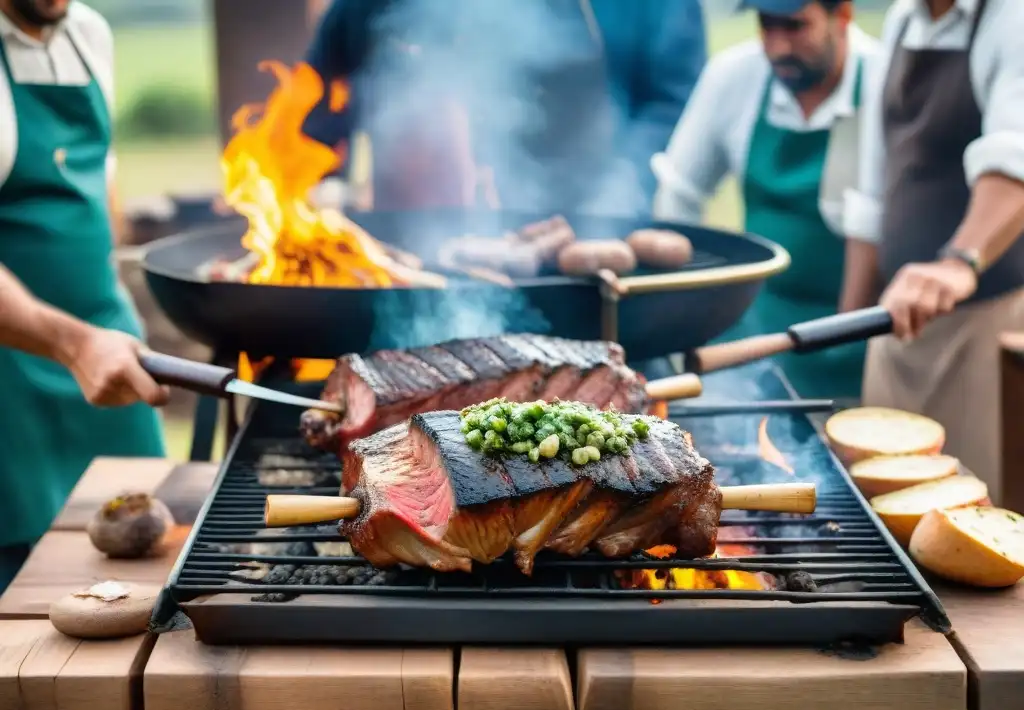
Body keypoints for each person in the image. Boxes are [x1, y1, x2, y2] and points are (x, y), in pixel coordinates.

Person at [0, 0, 169, 710]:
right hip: (14, 346)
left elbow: (95, 180)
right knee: (13, 551)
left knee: (131, 539)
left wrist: (113, 305)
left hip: (99, 326)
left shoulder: (92, 32)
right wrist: (70, 342)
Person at [651, 0, 882, 401]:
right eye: (766, 25)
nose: (777, 47)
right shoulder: (734, 76)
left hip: (856, 335)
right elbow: (680, 194)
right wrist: (683, 315)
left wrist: (848, 338)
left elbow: (882, 217)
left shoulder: (884, 81)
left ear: (842, 15)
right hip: (754, 333)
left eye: (795, 27)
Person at [842, 0, 1024, 503]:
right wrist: (850, 321)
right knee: (883, 514)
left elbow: (1016, 158)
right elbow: (875, 187)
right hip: (894, 326)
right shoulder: (903, 19)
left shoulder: (1012, 19)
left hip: (986, 331)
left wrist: (960, 261)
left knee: (974, 515)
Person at [302, 0, 707, 217]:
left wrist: (621, 193)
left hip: (577, 232)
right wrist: (321, 176)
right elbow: (323, 84)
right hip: (406, 239)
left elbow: (671, 100)